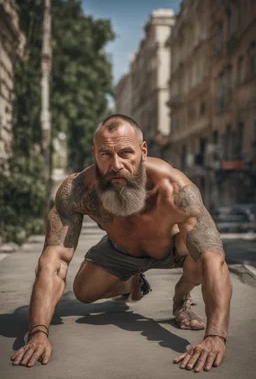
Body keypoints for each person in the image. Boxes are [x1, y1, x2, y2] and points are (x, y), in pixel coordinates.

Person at [11, 114, 232, 372]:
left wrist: (215, 337)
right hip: (122, 249)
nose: (116, 165)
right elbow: (54, 261)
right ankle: (131, 281)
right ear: (94, 154)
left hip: (174, 249)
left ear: (143, 151)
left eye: (126, 153)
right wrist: (38, 332)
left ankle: (181, 299)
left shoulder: (176, 191)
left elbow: (214, 260)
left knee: (200, 260)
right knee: (83, 292)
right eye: (105, 154)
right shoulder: (77, 191)